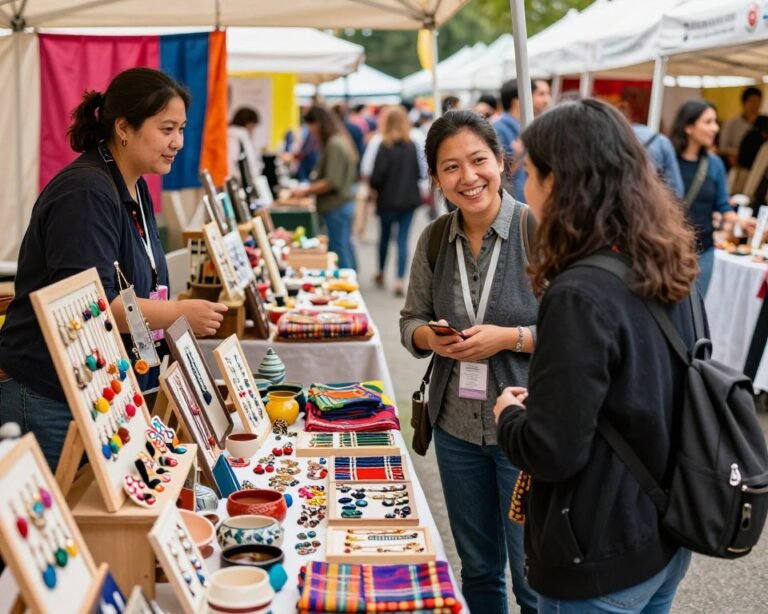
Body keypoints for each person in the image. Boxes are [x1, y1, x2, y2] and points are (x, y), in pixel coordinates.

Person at [494, 98, 700, 613]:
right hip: (664, 531)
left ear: (559, 181)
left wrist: (510, 417)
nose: (521, 185)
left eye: (527, 170)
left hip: (598, 551)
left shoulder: (578, 293)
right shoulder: (669, 261)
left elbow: (552, 450)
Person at [0, 67, 227, 471]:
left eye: (181, 129)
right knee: (62, 523)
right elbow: (90, 307)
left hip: (98, 385)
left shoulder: (133, 183)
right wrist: (177, 313)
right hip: (50, 391)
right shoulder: (85, 193)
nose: (177, 142)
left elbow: (136, 286)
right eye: (166, 129)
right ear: (124, 127)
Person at [400, 110, 539, 614]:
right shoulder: (435, 238)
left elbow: (581, 336)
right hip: (456, 428)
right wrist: (430, 338)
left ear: (502, 162)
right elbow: (410, 319)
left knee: (532, 573)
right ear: (436, 178)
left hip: (526, 428)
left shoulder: (537, 231)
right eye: (450, 167)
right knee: (478, 568)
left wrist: (510, 337)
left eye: (479, 160)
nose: (468, 177)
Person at [671, 100, 738, 294]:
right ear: (688, 127)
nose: (715, 128)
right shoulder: (668, 159)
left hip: (704, 251)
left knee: (695, 312)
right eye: (708, 122)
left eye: (715, 122)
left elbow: (723, 205)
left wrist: (741, 221)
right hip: (669, 249)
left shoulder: (715, 164)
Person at [289, 105, 358, 270]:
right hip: (341, 204)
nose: (311, 131)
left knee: (339, 250)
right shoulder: (339, 140)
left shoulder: (334, 144)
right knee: (344, 246)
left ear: (318, 124)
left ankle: (347, 284)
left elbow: (331, 181)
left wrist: (305, 190)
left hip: (336, 205)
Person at [369, 106, 423, 297]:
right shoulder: (411, 145)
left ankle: (382, 272)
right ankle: (400, 279)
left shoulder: (384, 146)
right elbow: (419, 173)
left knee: (384, 238)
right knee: (403, 239)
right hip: (409, 200)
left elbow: (376, 177)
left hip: (387, 200)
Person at [494, 79, 551, 202]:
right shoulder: (499, 129)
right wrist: (518, 155)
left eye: (547, 94)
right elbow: (497, 175)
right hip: (512, 204)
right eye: (540, 94)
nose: (547, 100)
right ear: (518, 100)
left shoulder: (534, 126)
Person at [720, 86, 763, 168]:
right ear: (744, 102)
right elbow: (722, 147)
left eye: (758, 102)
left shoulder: (764, 122)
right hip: (739, 166)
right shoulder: (731, 123)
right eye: (752, 102)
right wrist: (733, 153)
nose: (756, 106)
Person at [228, 106, 263, 182]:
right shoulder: (240, 137)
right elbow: (252, 166)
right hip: (240, 182)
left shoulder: (229, 136)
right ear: (249, 124)